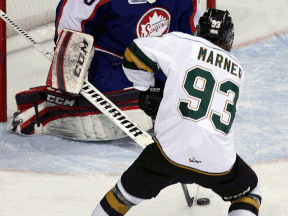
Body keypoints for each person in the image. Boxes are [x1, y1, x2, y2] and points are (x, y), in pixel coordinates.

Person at [91, 8, 262, 216]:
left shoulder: (183, 43)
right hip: (217, 161)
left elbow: (134, 52)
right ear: (229, 38)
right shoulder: (238, 71)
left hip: (168, 155)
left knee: (122, 196)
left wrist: (147, 88)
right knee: (250, 192)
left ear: (199, 30)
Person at [7, 0, 202, 142]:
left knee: (188, 108)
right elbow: (72, 19)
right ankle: (48, 112)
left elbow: (189, 37)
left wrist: (165, 80)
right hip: (114, 62)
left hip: (160, 64)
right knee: (101, 125)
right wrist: (71, 63)